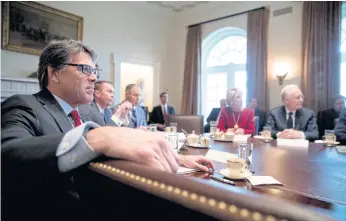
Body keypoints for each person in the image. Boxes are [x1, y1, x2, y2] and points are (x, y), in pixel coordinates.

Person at [1, 39, 214, 221]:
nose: (94, 78)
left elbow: (120, 145)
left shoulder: (87, 113)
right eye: (85, 69)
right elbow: (7, 152)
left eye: (95, 71)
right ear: (55, 73)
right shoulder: (25, 105)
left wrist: (177, 157)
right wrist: (94, 138)